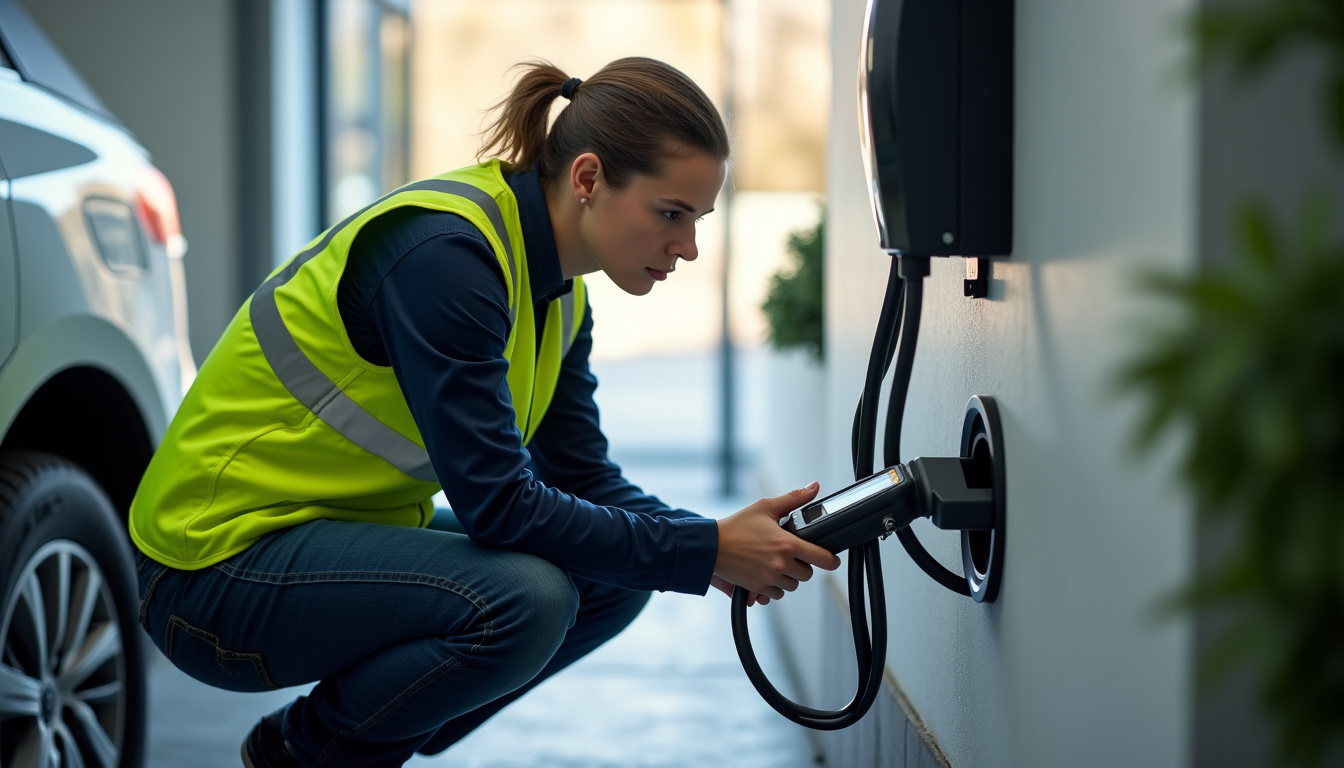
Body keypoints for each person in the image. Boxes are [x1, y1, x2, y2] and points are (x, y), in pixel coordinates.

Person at [129, 57, 840, 768]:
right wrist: (704, 551)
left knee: (612, 584)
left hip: (318, 539)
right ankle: (303, 754)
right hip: (210, 573)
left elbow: (584, 478)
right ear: (588, 179)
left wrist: (715, 540)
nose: (687, 248)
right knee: (525, 598)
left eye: (699, 220)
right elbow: (500, 505)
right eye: (671, 214)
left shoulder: (562, 294)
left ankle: (362, 745)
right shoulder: (448, 260)